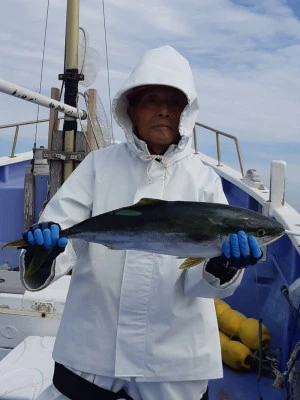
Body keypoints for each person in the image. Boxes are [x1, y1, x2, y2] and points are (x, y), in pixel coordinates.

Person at [21, 45, 262, 400]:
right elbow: (64, 239)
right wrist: (46, 253)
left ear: (186, 111)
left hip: (174, 366)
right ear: (130, 110)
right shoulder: (98, 166)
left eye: (174, 101)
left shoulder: (204, 180)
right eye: (151, 99)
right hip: (91, 356)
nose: (164, 110)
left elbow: (200, 284)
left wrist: (223, 265)